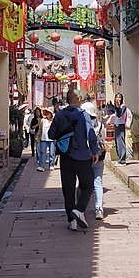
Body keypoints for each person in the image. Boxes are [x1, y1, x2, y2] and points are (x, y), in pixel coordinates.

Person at [49, 88, 99, 230]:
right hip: (82, 156)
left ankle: (72, 221)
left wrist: (62, 135)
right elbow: (91, 134)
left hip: (65, 157)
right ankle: (79, 209)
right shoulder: (84, 115)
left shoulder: (60, 115)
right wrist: (95, 151)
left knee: (68, 189)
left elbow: (52, 134)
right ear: (78, 99)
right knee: (87, 185)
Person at [81, 100, 106, 219]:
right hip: (99, 156)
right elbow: (104, 139)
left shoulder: (81, 124)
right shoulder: (100, 125)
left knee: (82, 184)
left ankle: (79, 209)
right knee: (98, 183)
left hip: (84, 157)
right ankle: (99, 208)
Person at [110, 93, 132, 165]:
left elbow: (120, 115)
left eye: (119, 97)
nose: (117, 99)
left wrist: (118, 106)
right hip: (116, 125)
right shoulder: (116, 106)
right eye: (116, 97)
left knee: (120, 142)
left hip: (121, 125)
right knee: (117, 142)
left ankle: (122, 159)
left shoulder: (123, 106)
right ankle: (119, 158)